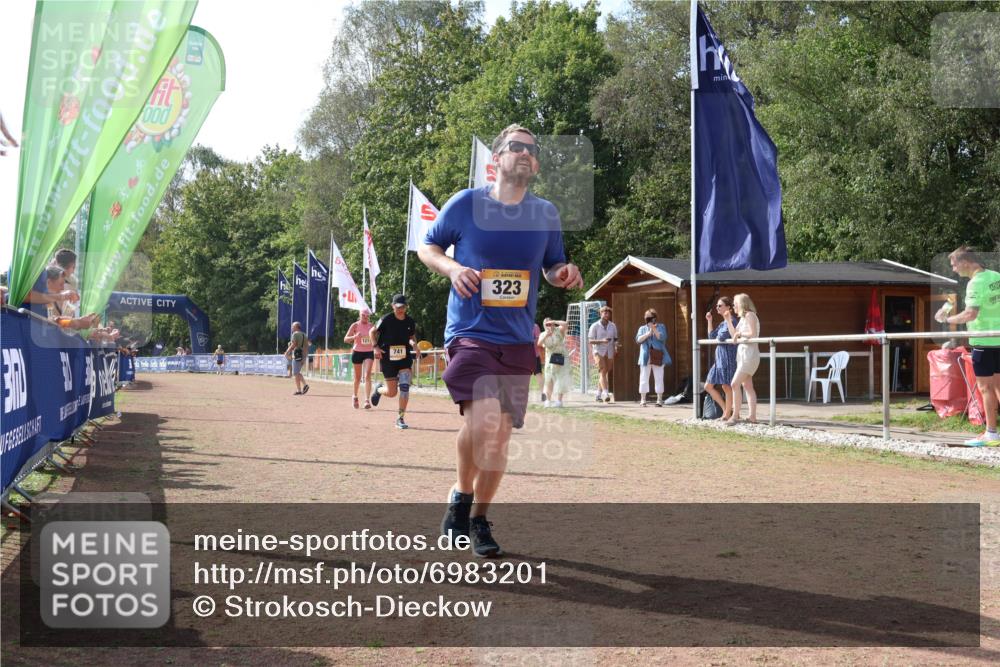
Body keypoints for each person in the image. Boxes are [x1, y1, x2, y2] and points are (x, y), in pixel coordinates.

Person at [418, 123, 582, 557]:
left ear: (537, 164)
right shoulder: (467, 204)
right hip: (471, 331)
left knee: (499, 436)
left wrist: (562, 274)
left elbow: (552, 265)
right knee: (483, 420)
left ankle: (476, 518)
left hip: (516, 339)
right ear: (497, 159)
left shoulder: (545, 213)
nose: (525, 153)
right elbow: (427, 247)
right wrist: (453, 269)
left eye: (532, 149)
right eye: (516, 147)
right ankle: (460, 494)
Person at [936, 246, 1000, 446]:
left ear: (965, 262)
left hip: (984, 341)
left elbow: (970, 314)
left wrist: (946, 319)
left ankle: (991, 433)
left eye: (954, 265)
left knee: (985, 388)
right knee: (998, 386)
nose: (954, 269)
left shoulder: (975, 283)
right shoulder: (995, 275)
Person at [370, 295, 422, 429]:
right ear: (393, 306)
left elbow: (411, 336)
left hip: (404, 358)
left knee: (404, 388)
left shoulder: (410, 321)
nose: (400, 309)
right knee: (392, 393)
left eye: (403, 307)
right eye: (398, 307)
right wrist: (375, 347)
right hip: (388, 358)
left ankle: (400, 418)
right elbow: (372, 332)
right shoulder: (386, 319)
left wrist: (415, 346)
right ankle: (379, 390)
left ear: (406, 307)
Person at [726, 293, 760, 425]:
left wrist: (739, 334)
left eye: (735, 303)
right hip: (743, 355)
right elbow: (734, 335)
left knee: (735, 384)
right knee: (747, 386)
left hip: (749, 355)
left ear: (741, 304)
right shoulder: (742, 318)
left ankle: (735, 416)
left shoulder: (750, 315)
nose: (733, 305)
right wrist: (728, 320)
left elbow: (752, 334)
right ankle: (752, 417)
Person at [704, 296, 739, 420]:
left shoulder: (732, 321)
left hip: (728, 356)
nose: (717, 307)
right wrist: (709, 320)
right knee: (708, 386)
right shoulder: (722, 323)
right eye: (717, 306)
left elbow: (731, 336)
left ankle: (727, 413)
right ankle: (726, 409)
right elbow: (711, 336)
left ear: (728, 307)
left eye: (720, 305)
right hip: (719, 358)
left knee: (726, 386)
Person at [635, 308, 670, 406]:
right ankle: (643, 399)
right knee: (643, 377)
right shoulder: (642, 328)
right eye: (647, 317)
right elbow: (638, 340)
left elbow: (662, 337)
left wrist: (654, 329)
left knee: (659, 377)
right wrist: (648, 334)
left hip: (657, 355)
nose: (648, 319)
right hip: (645, 356)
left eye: (650, 317)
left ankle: (659, 399)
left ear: (655, 318)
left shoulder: (661, 326)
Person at [345, 309, 376, 409]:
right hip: (357, 351)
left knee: (367, 375)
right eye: (363, 315)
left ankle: (367, 400)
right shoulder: (355, 325)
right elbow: (345, 339)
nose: (365, 317)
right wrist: (355, 336)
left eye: (367, 316)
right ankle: (355, 396)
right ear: (360, 315)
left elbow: (376, 338)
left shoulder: (371, 326)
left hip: (369, 352)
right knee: (358, 378)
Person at [538, 318, 571, 407]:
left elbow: (566, 324)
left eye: (550, 324)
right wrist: (546, 335)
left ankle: (559, 402)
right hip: (550, 359)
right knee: (549, 380)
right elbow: (539, 344)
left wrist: (554, 322)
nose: (549, 326)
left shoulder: (559, 330)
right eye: (547, 324)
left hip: (561, 357)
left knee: (561, 379)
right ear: (544, 325)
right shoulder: (543, 334)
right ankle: (548, 401)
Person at [588, 305, 618, 402]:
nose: (606, 314)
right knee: (602, 370)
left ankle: (598, 394)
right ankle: (606, 393)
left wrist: (616, 346)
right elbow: (590, 341)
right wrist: (602, 341)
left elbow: (615, 338)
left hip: (609, 351)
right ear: (600, 314)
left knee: (605, 372)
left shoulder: (612, 325)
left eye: (608, 313)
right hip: (598, 351)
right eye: (604, 312)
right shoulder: (595, 325)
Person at [283, 321, 310, 395]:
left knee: (295, 373)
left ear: (296, 327)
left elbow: (293, 345)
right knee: (297, 372)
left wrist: (287, 351)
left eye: (292, 326)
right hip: (303, 355)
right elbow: (307, 347)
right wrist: (305, 357)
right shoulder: (305, 335)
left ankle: (301, 388)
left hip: (297, 355)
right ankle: (303, 386)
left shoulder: (294, 334)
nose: (291, 328)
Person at [532, 321, 546, 402]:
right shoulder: (520, 325)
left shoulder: (535, 326)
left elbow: (538, 340)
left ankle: (543, 394)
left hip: (534, 355)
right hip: (523, 355)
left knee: (538, 374)